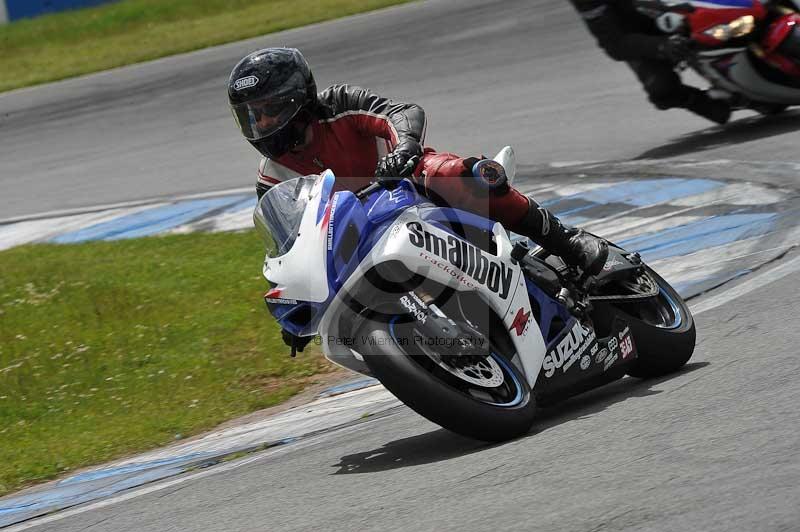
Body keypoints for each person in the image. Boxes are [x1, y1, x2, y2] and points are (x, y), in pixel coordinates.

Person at [228, 48, 608, 348]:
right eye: (251, 117)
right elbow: (290, 242)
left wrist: (404, 148)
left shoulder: (338, 104)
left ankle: (567, 242)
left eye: (269, 111)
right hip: (359, 239)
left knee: (458, 175)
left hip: (408, 189)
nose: (261, 125)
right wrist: (300, 301)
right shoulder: (271, 176)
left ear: (298, 99)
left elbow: (400, 112)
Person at [568, 0, 732, 124]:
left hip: (688, 8)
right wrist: (660, 46)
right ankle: (695, 100)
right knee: (662, 89)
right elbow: (613, 44)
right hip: (644, 36)